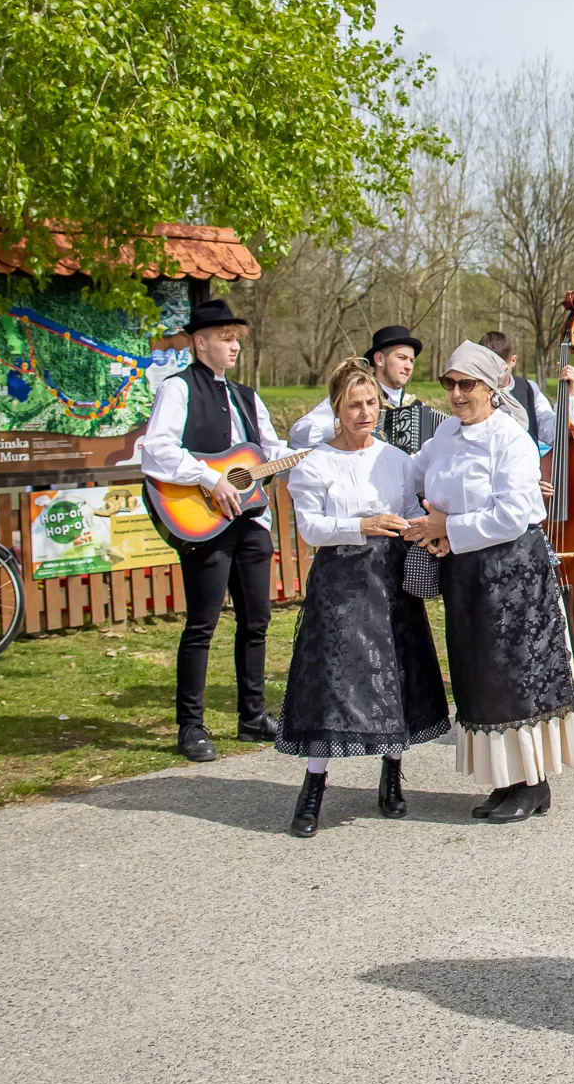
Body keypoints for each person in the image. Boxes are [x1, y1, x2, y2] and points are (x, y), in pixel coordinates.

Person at [408, 341, 574, 824]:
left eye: (467, 384)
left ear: (490, 388)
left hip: (512, 573)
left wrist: (448, 527)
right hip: (466, 571)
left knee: (515, 676)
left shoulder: (510, 437)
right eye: (449, 384)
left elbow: (513, 515)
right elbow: (414, 477)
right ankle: (505, 780)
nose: (457, 394)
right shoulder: (445, 434)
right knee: (478, 675)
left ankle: (534, 782)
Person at [277, 357, 450, 837]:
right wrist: (361, 525)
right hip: (341, 579)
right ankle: (314, 785)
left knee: (393, 673)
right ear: (336, 408)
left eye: (372, 403)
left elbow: (412, 508)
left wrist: (424, 528)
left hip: (390, 577)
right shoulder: (316, 463)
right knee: (332, 681)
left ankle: (392, 774)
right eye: (354, 405)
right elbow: (311, 528)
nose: (365, 413)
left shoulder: (395, 459)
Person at [138, 298, 289, 762]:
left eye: (237, 338)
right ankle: (191, 726)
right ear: (200, 343)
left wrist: (323, 453)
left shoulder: (248, 397)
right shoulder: (178, 389)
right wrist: (209, 477)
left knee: (257, 621)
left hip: (251, 520)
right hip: (204, 520)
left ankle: (252, 716)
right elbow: (157, 449)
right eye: (226, 338)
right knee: (202, 624)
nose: (235, 345)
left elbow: (270, 451)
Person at [287, 324, 431, 454]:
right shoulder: (351, 395)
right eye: (402, 358)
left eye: (411, 361)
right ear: (379, 359)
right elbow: (299, 435)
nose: (408, 366)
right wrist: (346, 426)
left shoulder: (416, 406)